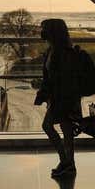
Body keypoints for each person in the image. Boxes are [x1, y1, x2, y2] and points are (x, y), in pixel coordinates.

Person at [35, 19, 82, 178]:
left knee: (50, 126)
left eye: (44, 29)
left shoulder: (61, 53)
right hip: (61, 99)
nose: (42, 32)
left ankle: (66, 162)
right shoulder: (54, 50)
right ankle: (68, 164)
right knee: (66, 132)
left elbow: (60, 79)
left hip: (63, 100)